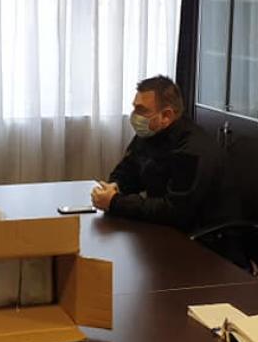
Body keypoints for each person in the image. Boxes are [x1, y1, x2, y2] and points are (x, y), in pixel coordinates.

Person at [91, 75, 223, 230]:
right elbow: (128, 171)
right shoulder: (150, 134)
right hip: (163, 226)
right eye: (135, 108)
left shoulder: (192, 149)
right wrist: (115, 187)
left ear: (166, 116)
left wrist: (115, 202)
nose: (135, 116)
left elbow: (175, 211)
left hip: (200, 235)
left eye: (142, 110)